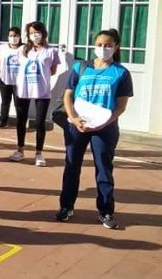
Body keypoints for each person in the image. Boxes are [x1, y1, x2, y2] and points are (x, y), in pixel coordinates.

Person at [56, 29, 133, 230]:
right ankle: (66, 207)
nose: (103, 48)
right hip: (77, 126)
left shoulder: (121, 73)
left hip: (104, 128)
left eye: (108, 45)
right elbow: (67, 96)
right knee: (72, 165)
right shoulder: (80, 67)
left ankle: (106, 211)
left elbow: (121, 106)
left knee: (104, 169)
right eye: (99, 44)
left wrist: (104, 122)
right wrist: (73, 118)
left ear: (116, 47)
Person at [11, 21, 60, 166]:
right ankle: (20, 149)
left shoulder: (51, 51)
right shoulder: (22, 50)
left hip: (42, 90)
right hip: (23, 89)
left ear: (43, 33)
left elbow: (53, 70)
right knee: (21, 120)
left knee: (39, 123)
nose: (34, 35)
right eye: (31, 33)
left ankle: (39, 153)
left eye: (37, 32)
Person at [0, 27, 23, 128]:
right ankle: (3, 121)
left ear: (19, 36)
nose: (13, 38)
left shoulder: (24, 48)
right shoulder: (1, 48)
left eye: (15, 36)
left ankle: (20, 122)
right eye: (11, 36)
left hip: (19, 80)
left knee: (18, 102)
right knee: (5, 101)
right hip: (4, 78)